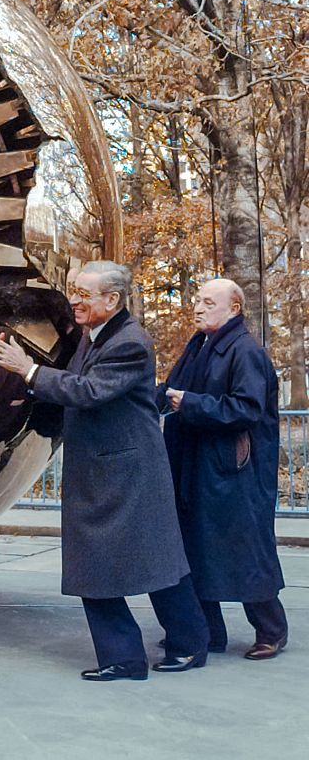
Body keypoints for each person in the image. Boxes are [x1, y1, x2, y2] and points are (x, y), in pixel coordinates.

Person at [0, 260, 209, 680]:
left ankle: (167, 649)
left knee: (143, 563)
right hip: (111, 469)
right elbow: (77, 388)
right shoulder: (98, 335)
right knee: (137, 562)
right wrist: (30, 397)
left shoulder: (129, 343)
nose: (74, 299)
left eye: (83, 293)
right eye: (73, 289)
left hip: (126, 472)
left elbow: (89, 391)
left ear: (112, 299)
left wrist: (27, 369)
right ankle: (164, 647)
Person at [158, 278, 287, 660]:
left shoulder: (246, 351)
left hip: (235, 471)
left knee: (245, 548)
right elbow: (171, 389)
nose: (197, 307)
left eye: (208, 302)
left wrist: (191, 404)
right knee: (196, 549)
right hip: (199, 464)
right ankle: (207, 633)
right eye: (197, 300)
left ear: (234, 309)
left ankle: (271, 631)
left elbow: (247, 408)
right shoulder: (200, 344)